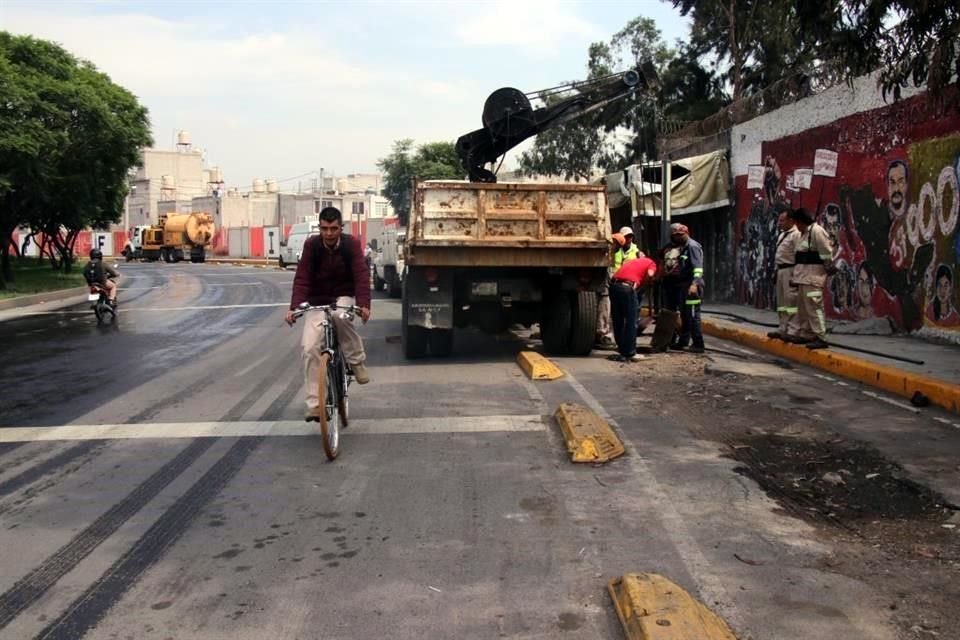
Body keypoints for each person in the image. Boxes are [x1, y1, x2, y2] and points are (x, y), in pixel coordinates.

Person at [285, 206, 372, 422]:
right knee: (309, 347)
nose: (329, 233)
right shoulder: (311, 246)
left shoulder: (351, 244)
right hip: (318, 300)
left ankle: (355, 361)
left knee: (339, 317)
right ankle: (315, 405)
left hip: (343, 296)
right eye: (325, 229)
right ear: (320, 229)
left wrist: (364, 305)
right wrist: (295, 307)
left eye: (334, 228)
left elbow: (361, 276)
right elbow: (302, 277)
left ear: (340, 228)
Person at [787, 207, 836, 349]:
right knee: (803, 308)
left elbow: (827, 252)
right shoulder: (803, 234)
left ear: (802, 221)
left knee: (815, 308)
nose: (797, 226)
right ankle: (806, 333)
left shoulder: (816, 231)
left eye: (798, 223)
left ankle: (821, 336)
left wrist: (827, 265)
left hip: (813, 277)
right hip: (802, 277)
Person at [661, 223, 705, 354]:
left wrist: (694, 284)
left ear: (685, 233)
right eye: (675, 236)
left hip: (692, 287)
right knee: (685, 316)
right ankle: (683, 342)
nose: (676, 238)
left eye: (679, 235)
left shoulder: (692, 247)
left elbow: (698, 268)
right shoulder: (683, 248)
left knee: (693, 316)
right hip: (683, 287)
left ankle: (698, 344)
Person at [608, 253, 658, 362]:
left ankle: (622, 350)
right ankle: (630, 353)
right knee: (632, 321)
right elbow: (650, 274)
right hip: (627, 288)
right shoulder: (651, 264)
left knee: (618, 320)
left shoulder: (633, 262)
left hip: (614, 287)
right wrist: (646, 284)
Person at [768, 207, 800, 340]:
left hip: (790, 270)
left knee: (791, 302)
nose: (780, 223)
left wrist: (796, 276)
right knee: (781, 302)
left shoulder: (796, 235)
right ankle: (782, 328)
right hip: (781, 270)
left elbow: (798, 256)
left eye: (782, 220)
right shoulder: (782, 234)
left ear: (791, 220)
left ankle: (793, 330)